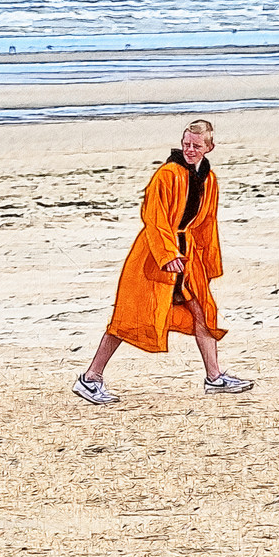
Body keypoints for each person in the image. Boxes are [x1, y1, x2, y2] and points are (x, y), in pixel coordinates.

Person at [74, 120, 250, 403]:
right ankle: (90, 378)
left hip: (187, 256)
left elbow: (207, 223)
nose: (190, 149)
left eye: (196, 145)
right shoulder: (167, 174)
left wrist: (207, 260)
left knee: (202, 312)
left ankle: (214, 377)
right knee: (128, 318)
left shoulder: (209, 179)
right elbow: (154, 217)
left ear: (209, 147)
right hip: (153, 256)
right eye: (186, 144)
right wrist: (167, 255)